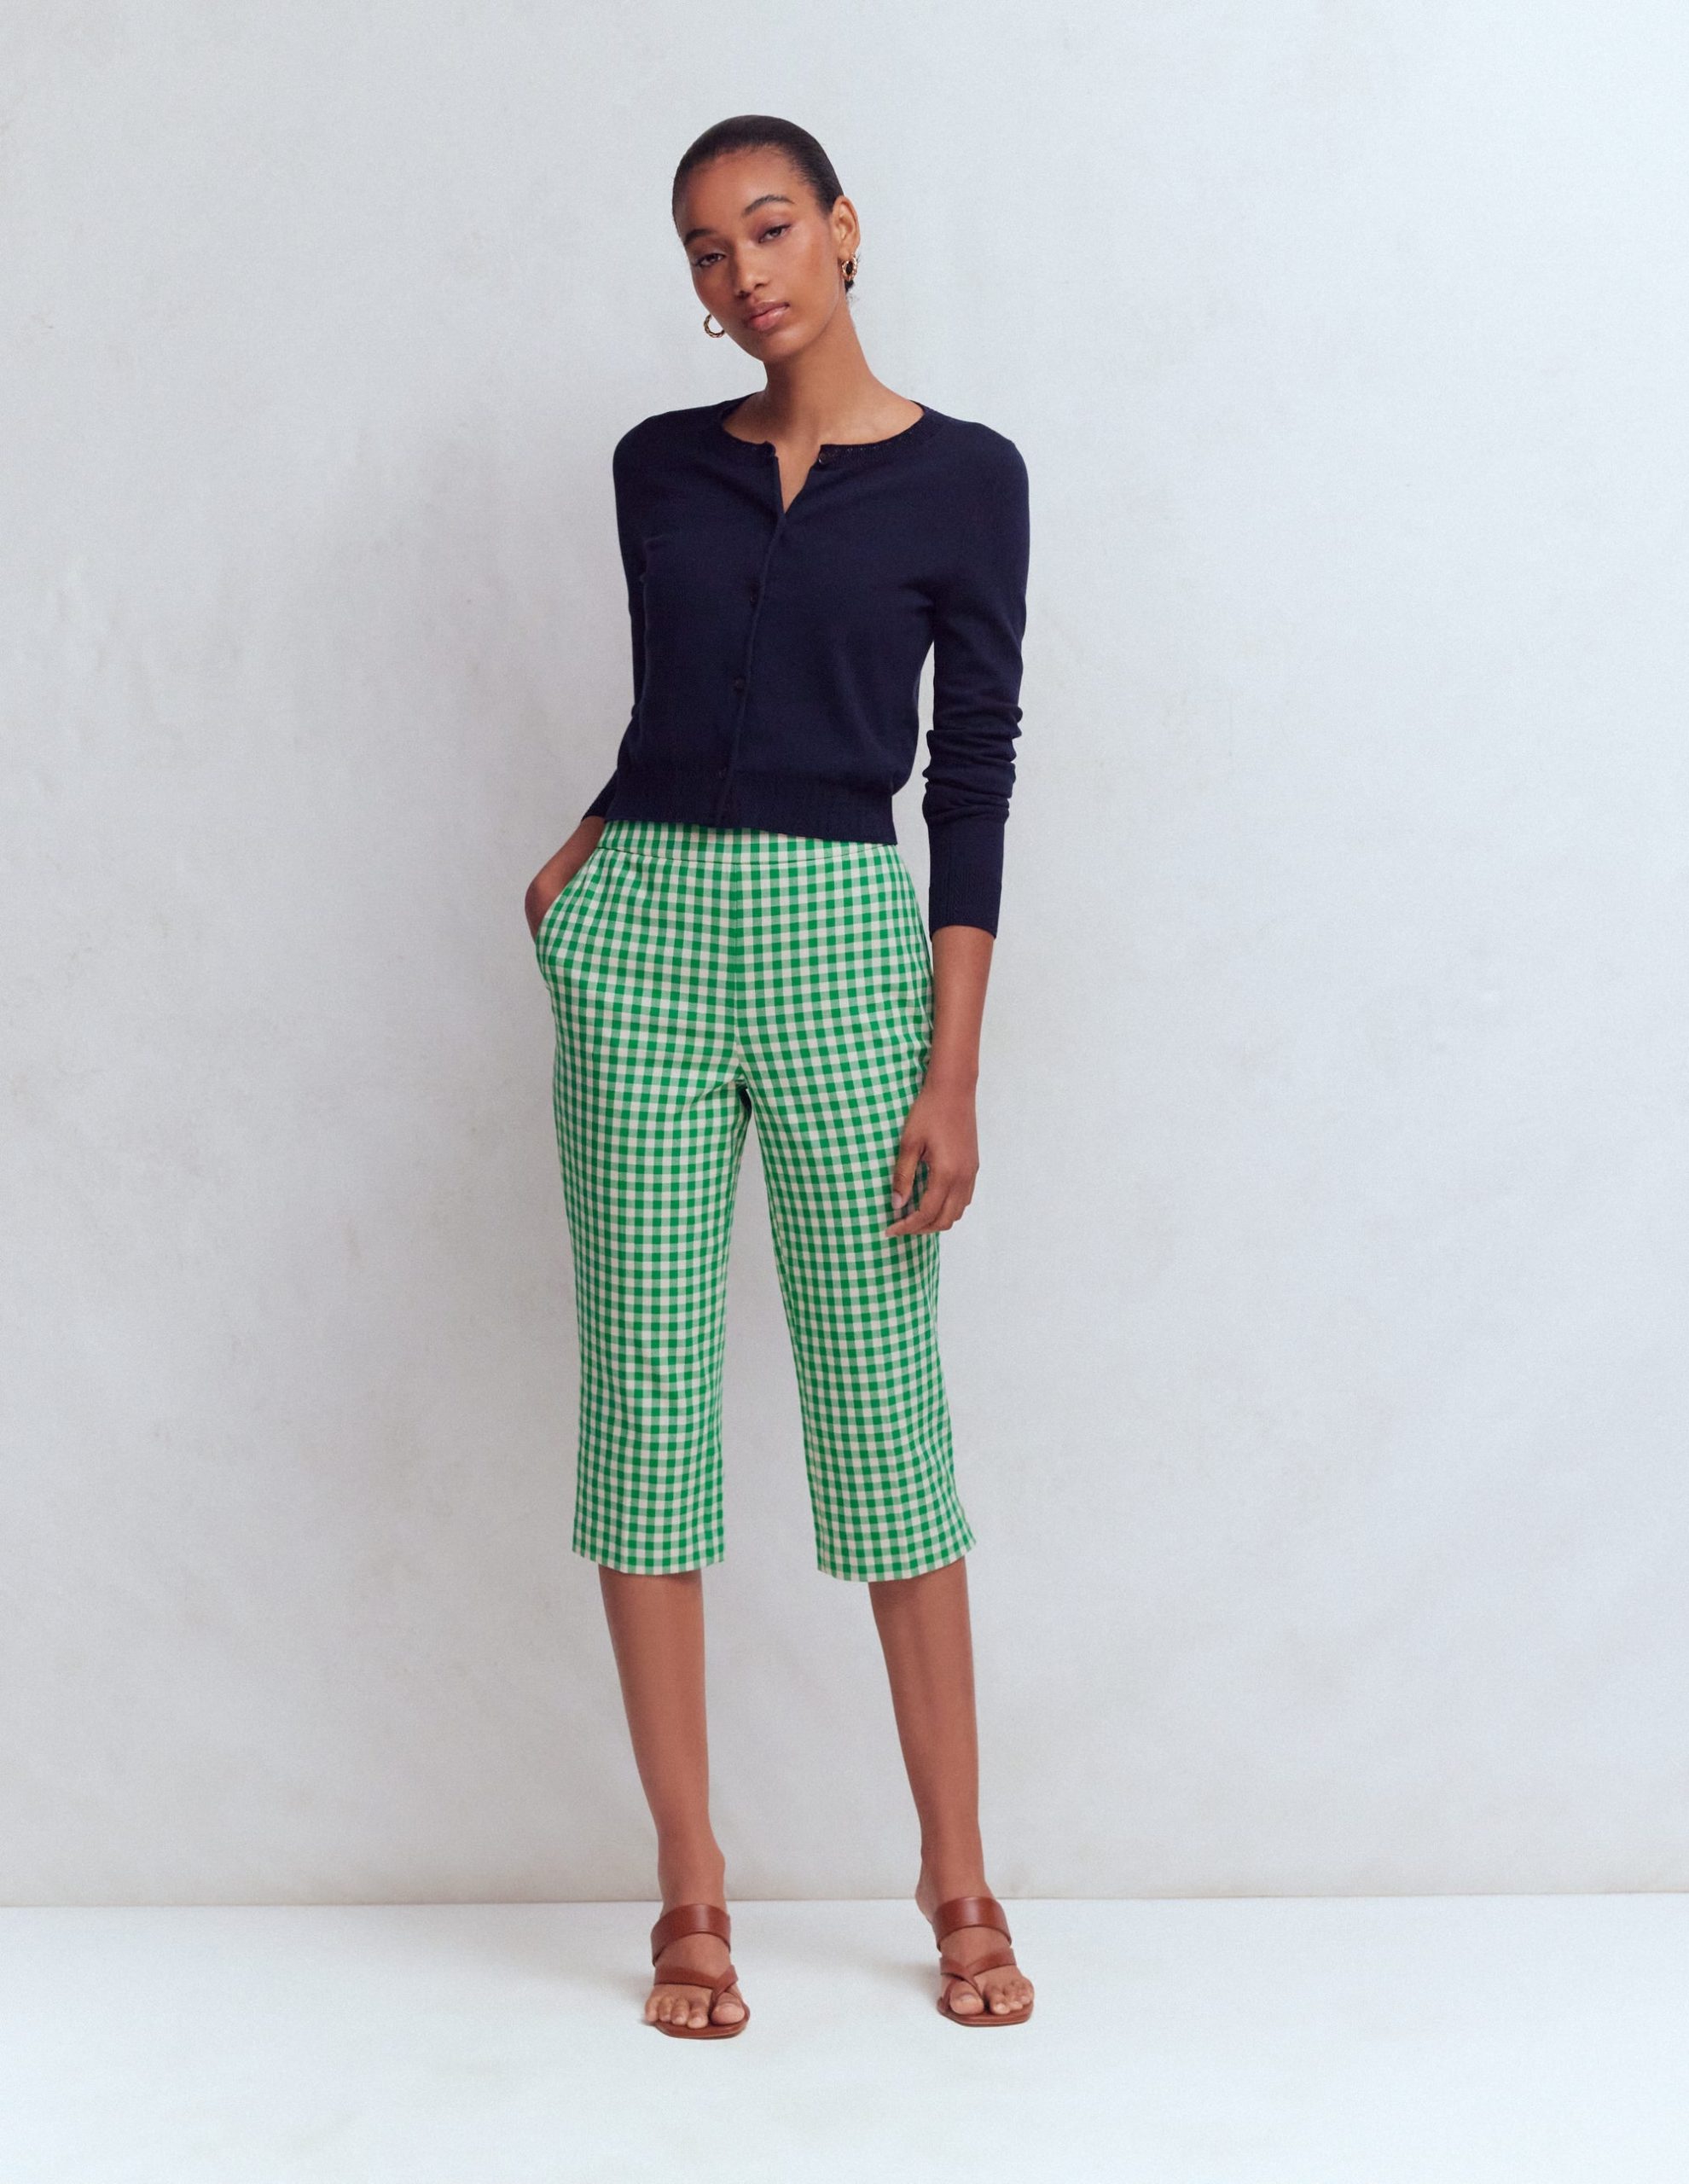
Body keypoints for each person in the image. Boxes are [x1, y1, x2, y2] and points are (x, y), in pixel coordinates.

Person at [525, 114, 1034, 2038]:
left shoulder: (967, 479)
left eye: (769, 229)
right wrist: (584, 859)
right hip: (644, 932)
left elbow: (971, 769)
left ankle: (958, 1874)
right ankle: (691, 1887)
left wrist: (953, 1063)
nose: (743, 275)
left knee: (885, 1413)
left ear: (841, 228)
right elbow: (681, 706)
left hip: (843, 942)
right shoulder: (659, 464)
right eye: (704, 249)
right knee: (646, 1405)